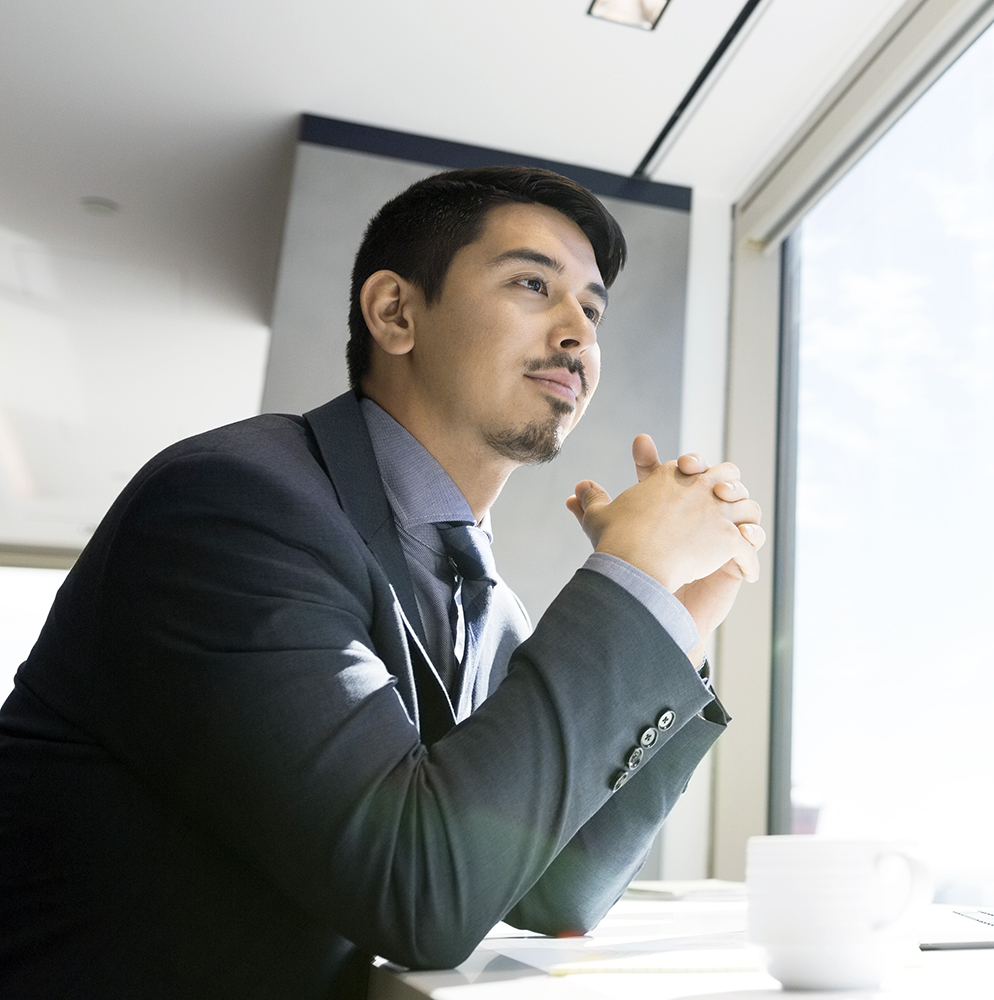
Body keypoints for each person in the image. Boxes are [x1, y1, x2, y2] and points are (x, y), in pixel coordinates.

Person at [0, 166, 764, 1000]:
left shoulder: (484, 596)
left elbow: (557, 891)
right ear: (396, 312)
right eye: (531, 283)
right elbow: (418, 895)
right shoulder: (229, 507)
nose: (577, 331)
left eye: (591, 307)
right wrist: (631, 577)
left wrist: (669, 623)